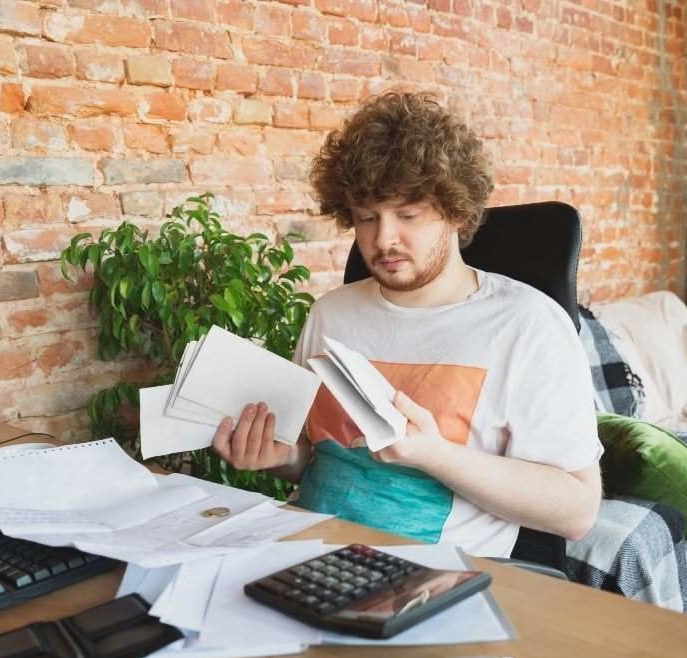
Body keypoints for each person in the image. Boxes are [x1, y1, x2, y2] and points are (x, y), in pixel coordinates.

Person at [212, 92, 602, 559]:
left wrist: (434, 455)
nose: (383, 239)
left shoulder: (528, 325)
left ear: (456, 212)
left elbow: (577, 511)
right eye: (366, 218)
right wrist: (282, 458)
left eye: (408, 215)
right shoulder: (331, 313)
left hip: (436, 572)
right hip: (305, 550)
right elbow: (324, 462)